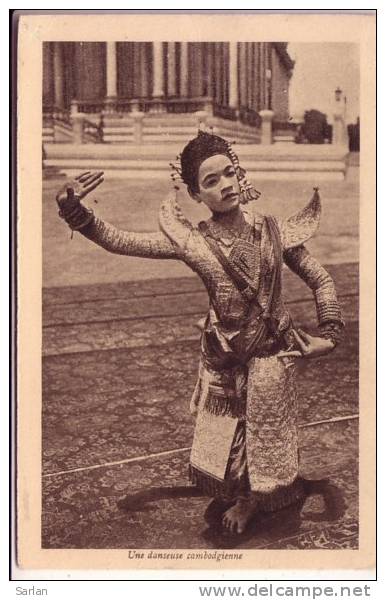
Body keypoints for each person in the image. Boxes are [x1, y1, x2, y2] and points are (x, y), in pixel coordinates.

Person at [55, 131, 344, 535]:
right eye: (211, 181)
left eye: (230, 172)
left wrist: (328, 332)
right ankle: (243, 492)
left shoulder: (276, 232)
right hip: (223, 355)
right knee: (228, 433)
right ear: (194, 194)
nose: (226, 184)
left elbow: (321, 280)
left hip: (271, 353)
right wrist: (76, 213)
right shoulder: (193, 242)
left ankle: (252, 500)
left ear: (240, 173)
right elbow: (122, 242)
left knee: (265, 432)